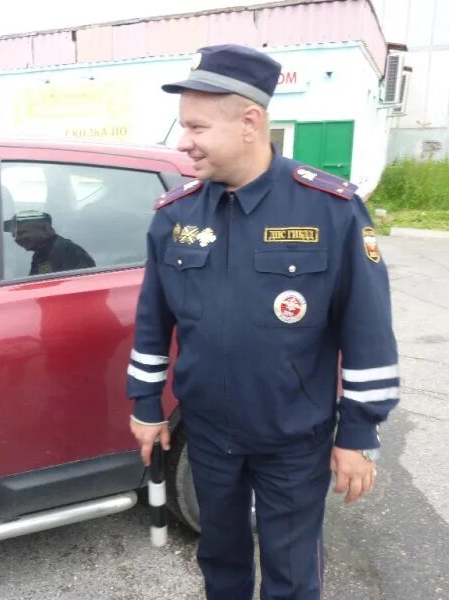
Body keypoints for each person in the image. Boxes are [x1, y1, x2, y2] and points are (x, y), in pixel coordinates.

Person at [126, 45, 399, 600]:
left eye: (197, 127)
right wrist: (145, 406)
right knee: (219, 561)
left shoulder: (330, 209)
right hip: (207, 435)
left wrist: (359, 431)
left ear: (250, 122)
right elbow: (153, 322)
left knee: (293, 572)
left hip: (293, 440)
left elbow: (368, 329)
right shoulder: (175, 217)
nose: (183, 142)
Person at [5, 209, 95, 275]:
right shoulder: (44, 251)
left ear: (45, 229)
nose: (16, 239)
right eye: (14, 235)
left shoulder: (64, 251)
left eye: (21, 233)